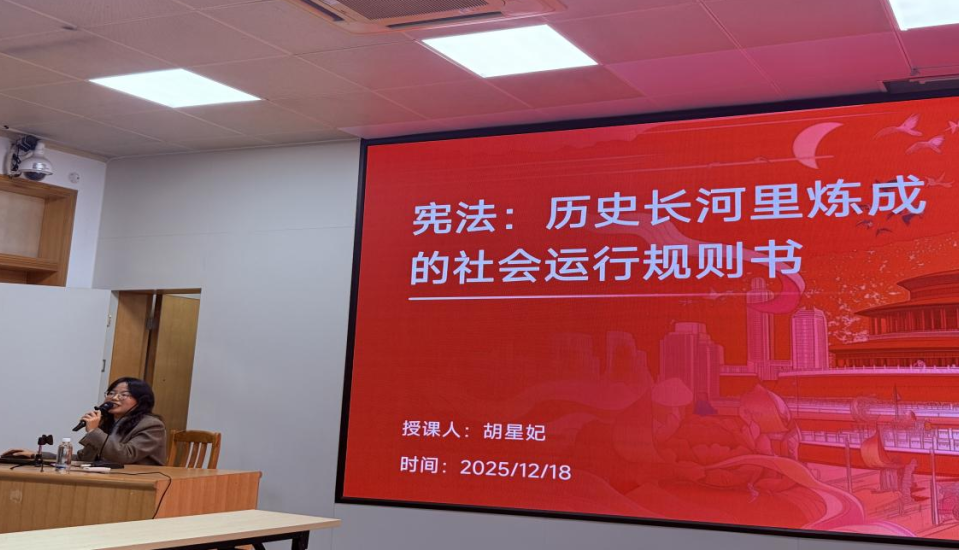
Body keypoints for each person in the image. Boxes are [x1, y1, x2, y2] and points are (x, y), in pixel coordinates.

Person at [3, 377, 167, 466]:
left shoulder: (151, 425)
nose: (114, 397)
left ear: (141, 401)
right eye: (111, 393)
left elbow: (125, 456)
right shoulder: (106, 423)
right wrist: (36, 455)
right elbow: (83, 458)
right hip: (105, 479)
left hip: (136, 481)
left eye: (124, 394)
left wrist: (94, 431)